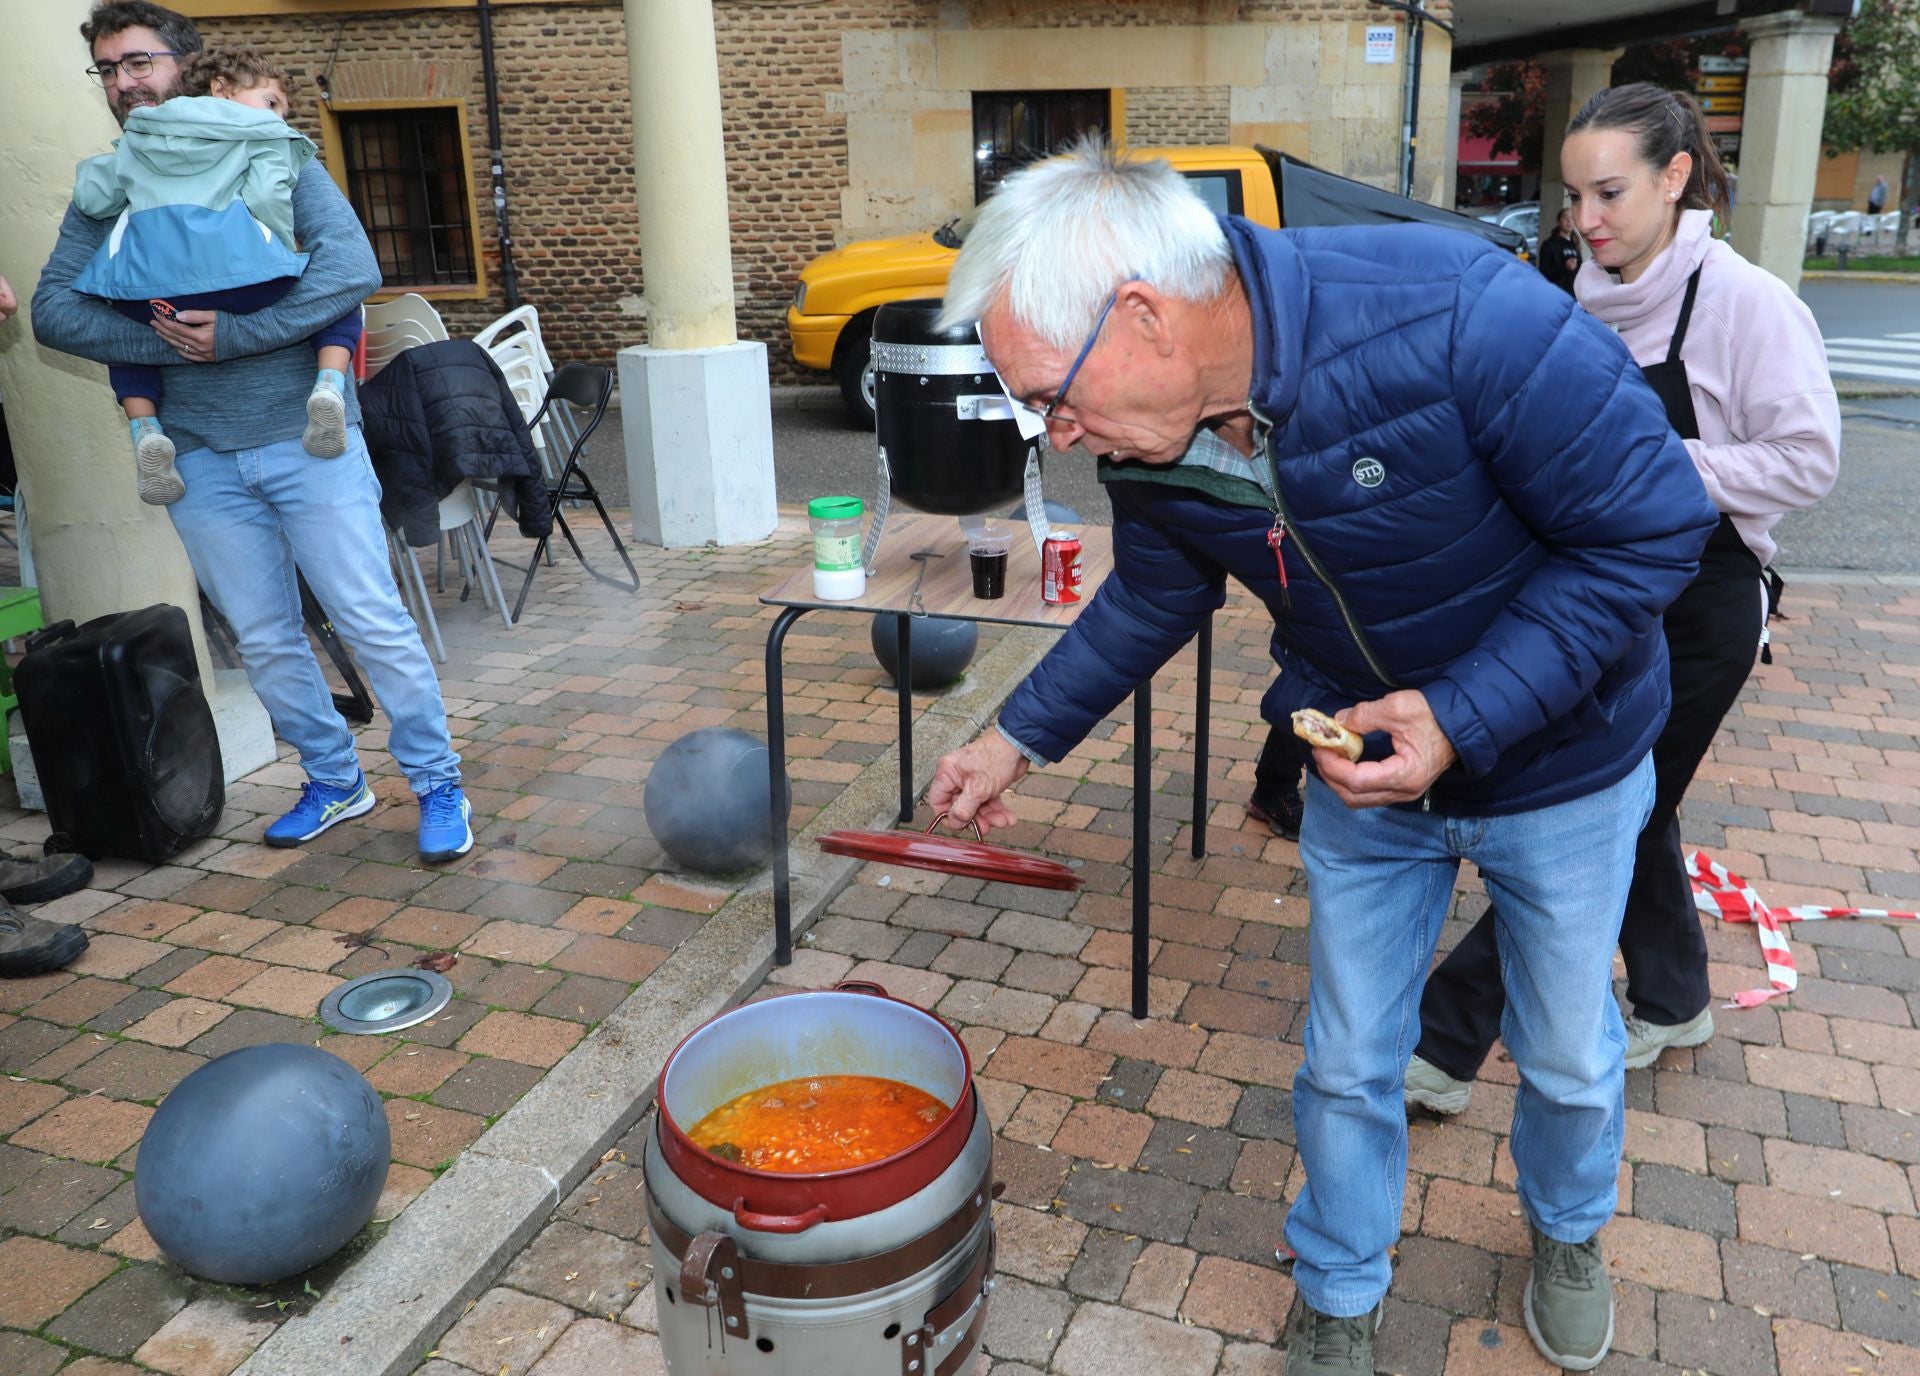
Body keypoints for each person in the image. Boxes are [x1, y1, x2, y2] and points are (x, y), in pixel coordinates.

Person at [925, 139, 1718, 1374]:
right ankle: (1342, 1287)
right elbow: (1152, 596)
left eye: (1053, 396)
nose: (1060, 434)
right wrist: (1012, 738)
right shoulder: (1160, 432)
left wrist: (1460, 714)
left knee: (1566, 1052)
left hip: (1563, 766)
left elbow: (1651, 531)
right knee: (1349, 1059)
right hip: (1360, 770)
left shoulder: (1459, 313)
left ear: (1144, 315)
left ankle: (1568, 1230)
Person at [1406, 85, 1839, 1114]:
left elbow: (1809, 458)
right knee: (1634, 805)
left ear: (1675, 177)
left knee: (1585, 815)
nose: (1585, 219)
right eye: (1574, 197)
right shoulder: (1589, 292)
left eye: (1609, 193)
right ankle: (1677, 995)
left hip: (1702, 603)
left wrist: (1655, 461)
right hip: (1598, 592)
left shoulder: (1746, 301)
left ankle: (1445, 1036)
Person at [33, 2, 474, 865]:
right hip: (197, 457)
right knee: (267, 637)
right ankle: (336, 779)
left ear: (186, 64)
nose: (125, 83)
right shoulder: (112, 178)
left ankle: (435, 780)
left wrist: (230, 336)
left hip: (309, 441)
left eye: (139, 62)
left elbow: (353, 270)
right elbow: (54, 311)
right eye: (109, 70)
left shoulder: (267, 150)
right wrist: (176, 349)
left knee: (371, 620)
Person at [71, 44, 360, 505]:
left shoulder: (143, 133)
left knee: (123, 333)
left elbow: (94, 195)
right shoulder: (264, 138)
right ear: (221, 90)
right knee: (336, 297)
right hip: (242, 278)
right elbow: (267, 196)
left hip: (152, 288)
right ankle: (329, 386)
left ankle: (145, 429)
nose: (278, 118)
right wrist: (282, 248)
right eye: (271, 103)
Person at [1538, 206, 1582, 294]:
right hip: (1556, 291)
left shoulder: (1575, 244)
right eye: (1565, 218)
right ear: (1558, 221)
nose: (1569, 221)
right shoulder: (1549, 244)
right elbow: (1544, 271)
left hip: (1573, 293)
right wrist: (1565, 267)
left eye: (1572, 218)